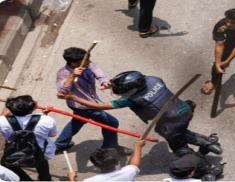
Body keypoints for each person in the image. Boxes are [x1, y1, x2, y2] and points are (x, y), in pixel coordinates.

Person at [58, 71, 222, 157]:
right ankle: (208, 143)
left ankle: (203, 165)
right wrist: (113, 85)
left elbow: (99, 106)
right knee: (183, 133)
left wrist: (75, 97)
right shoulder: (154, 79)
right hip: (184, 110)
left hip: (170, 123)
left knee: (179, 147)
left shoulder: (133, 99)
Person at [55, 47, 131, 155]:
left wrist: (104, 81)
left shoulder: (87, 64)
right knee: (111, 122)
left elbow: (97, 70)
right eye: (86, 61)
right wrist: (72, 77)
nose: (89, 63)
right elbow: (62, 94)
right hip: (82, 105)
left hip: (91, 100)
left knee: (77, 121)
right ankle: (110, 147)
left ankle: (59, 145)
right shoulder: (63, 74)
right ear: (73, 63)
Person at [0, 95, 57, 181]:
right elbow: (52, 134)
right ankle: (45, 179)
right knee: (42, 165)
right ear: (32, 108)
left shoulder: (2, 121)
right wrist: (44, 115)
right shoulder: (47, 120)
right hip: (39, 152)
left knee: (5, 165)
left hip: (15, 152)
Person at [68, 140, 146, 181]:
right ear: (117, 161)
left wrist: (72, 178)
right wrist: (137, 147)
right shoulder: (128, 172)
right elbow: (134, 164)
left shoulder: (92, 181)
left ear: (96, 165)